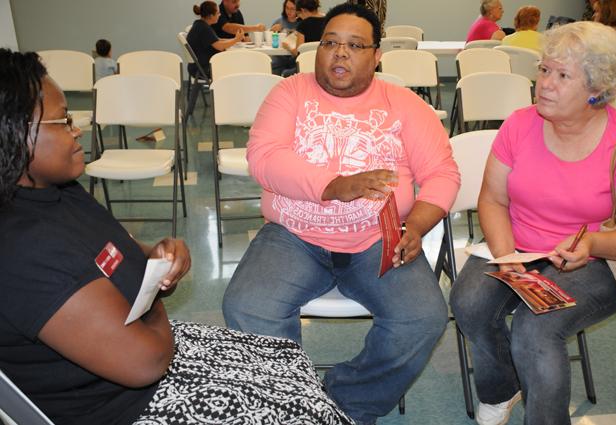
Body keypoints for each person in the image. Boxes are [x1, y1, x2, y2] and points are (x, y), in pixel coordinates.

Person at [0, 48, 355, 425]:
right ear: (15, 132)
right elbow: (145, 361)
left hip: (145, 350)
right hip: (128, 404)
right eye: (63, 120)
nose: (77, 129)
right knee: (303, 413)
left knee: (283, 357)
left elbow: (111, 252)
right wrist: (151, 293)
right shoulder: (21, 249)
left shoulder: (53, 191)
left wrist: (155, 255)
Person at [222, 3, 460, 424]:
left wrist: (417, 225)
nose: (340, 53)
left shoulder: (406, 105)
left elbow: (441, 173)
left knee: (422, 319)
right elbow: (264, 158)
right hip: (293, 235)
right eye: (330, 43)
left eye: (354, 45)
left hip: (378, 240)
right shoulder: (288, 93)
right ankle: (292, 403)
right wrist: (333, 185)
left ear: (376, 56)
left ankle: (346, 403)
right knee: (248, 308)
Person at [450, 21, 616, 425]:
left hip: (594, 261)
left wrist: (592, 245)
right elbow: (492, 200)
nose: (545, 84)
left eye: (563, 75)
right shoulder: (520, 124)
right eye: (544, 70)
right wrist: (505, 254)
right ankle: (503, 387)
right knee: (468, 303)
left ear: (596, 90)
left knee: (536, 329)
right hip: (516, 243)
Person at [186, 1, 242, 79]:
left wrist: (235, 40)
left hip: (198, 67)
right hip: (203, 69)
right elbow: (219, 46)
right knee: (236, 66)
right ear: (211, 16)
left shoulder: (200, 25)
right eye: (218, 13)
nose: (220, 15)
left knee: (234, 64)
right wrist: (236, 40)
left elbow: (217, 40)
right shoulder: (204, 28)